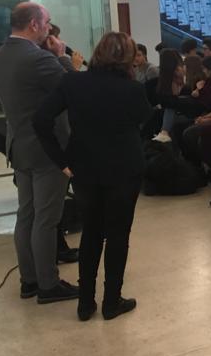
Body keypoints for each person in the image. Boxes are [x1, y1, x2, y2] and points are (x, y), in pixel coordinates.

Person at [33, 31, 152, 321]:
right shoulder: (133, 89)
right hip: (124, 168)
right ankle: (112, 302)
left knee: (91, 233)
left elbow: (40, 119)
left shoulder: (72, 81)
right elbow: (145, 120)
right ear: (128, 58)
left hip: (84, 167)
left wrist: (60, 160)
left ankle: (85, 303)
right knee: (118, 235)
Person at [0, 2, 79, 304]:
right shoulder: (39, 58)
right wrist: (62, 57)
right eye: (47, 22)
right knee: (47, 219)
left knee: (26, 214)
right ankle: (48, 285)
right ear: (34, 25)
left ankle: (29, 280)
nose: (50, 28)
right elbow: (72, 90)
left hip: (19, 144)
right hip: (46, 149)